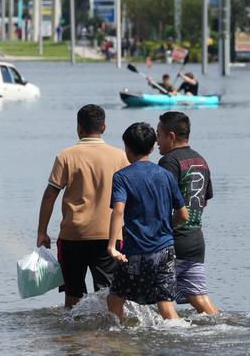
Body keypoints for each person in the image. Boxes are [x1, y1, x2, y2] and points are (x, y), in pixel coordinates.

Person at [37, 104, 130, 309]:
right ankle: (108, 335)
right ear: (104, 127)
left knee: (73, 294)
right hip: (109, 236)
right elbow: (130, 198)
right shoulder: (121, 157)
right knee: (109, 294)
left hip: (73, 235)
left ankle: (73, 337)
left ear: (79, 128)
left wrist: (42, 231)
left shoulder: (66, 156)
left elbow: (50, 195)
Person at [106, 122, 189, 322]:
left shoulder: (122, 177)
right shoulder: (166, 176)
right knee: (166, 305)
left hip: (136, 251)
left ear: (126, 147)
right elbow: (183, 215)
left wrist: (111, 246)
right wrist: (166, 230)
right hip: (166, 250)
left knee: (115, 298)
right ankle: (182, 337)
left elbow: (118, 210)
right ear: (152, 147)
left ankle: (118, 338)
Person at [157, 111, 218, 315]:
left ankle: (173, 336)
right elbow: (204, 201)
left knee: (161, 295)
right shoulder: (201, 160)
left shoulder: (169, 162)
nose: (156, 140)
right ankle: (223, 326)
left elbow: (161, 202)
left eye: (159, 134)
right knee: (198, 296)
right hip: (195, 240)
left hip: (173, 240)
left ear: (171, 136)